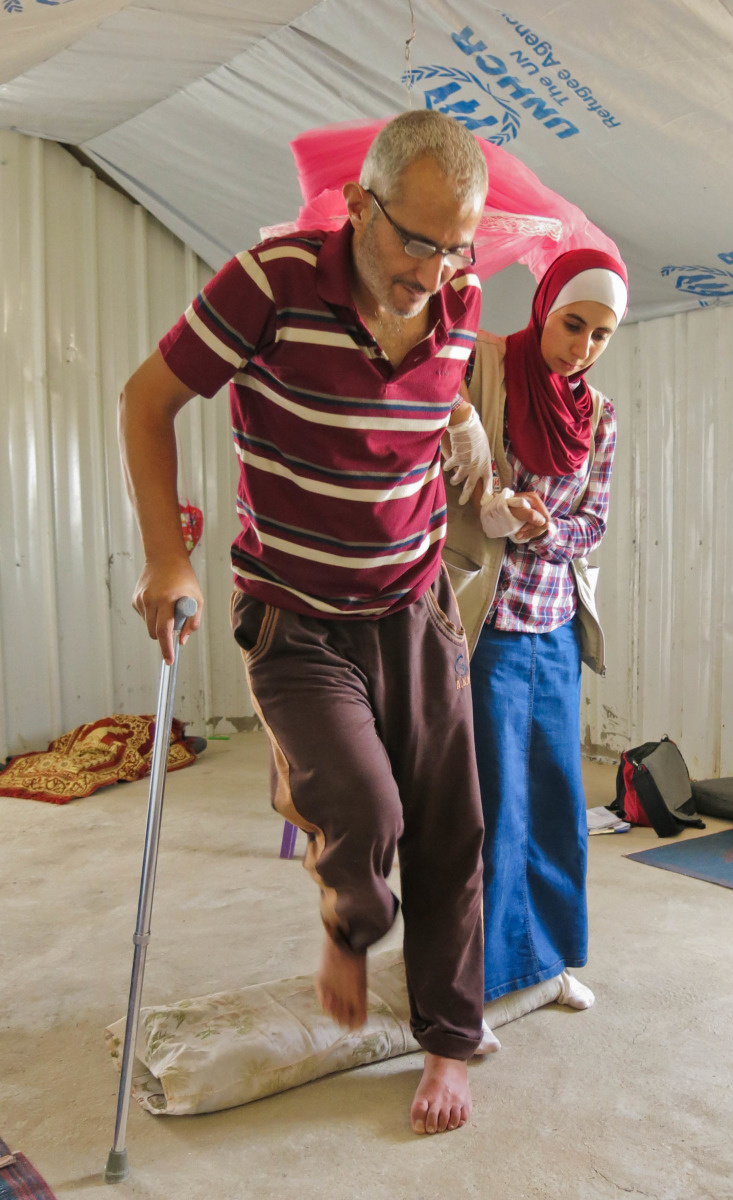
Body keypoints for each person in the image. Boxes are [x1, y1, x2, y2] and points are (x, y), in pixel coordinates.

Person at [118, 110, 497, 1135]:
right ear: (358, 206)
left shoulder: (458, 304)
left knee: (453, 826)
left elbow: (433, 390)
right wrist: (167, 555)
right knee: (366, 811)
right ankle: (350, 922)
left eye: (455, 244)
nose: (433, 271)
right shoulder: (270, 284)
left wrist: (460, 422)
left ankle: (449, 1042)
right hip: (297, 616)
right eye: (414, 239)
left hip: (413, 606)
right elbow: (146, 399)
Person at [443, 247, 627, 1012]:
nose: (581, 347)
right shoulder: (485, 368)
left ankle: (548, 964)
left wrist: (542, 530)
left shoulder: (601, 416)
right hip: (486, 628)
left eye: (600, 335)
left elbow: (595, 523)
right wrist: (492, 507)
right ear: (544, 306)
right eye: (571, 324)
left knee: (555, 802)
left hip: (553, 631)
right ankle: (478, 983)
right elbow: (436, 449)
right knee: (490, 809)